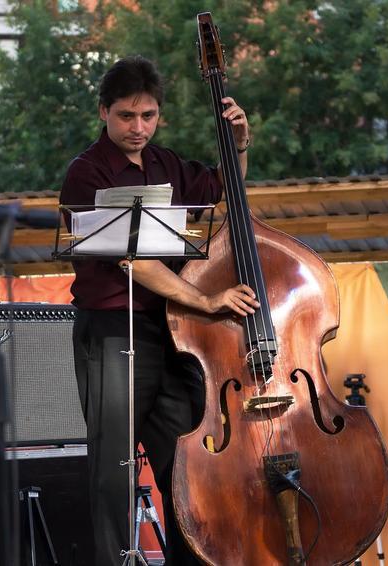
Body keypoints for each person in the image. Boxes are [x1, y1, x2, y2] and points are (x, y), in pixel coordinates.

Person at [59, 55, 258, 565]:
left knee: (186, 462)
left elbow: (222, 190)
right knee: (112, 469)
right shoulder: (87, 172)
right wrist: (207, 300)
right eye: (126, 115)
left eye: (148, 116)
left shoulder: (167, 164)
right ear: (103, 112)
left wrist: (238, 145)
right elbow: (135, 261)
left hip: (170, 331)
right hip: (111, 330)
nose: (138, 127)